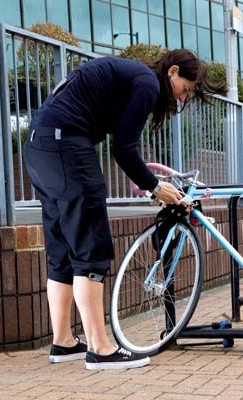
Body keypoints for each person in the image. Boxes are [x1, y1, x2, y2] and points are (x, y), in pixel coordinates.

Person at [23, 49, 217, 370]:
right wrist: (156, 186)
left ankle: (63, 342)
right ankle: (101, 348)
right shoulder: (147, 83)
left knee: (62, 247)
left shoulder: (132, 76)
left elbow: (125, 144)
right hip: (66, 145)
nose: (184, 98)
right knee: (91, 247)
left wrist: (151, 182)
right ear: (172, 72)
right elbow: (124, 148)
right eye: (186, 87)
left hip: (40, 145)